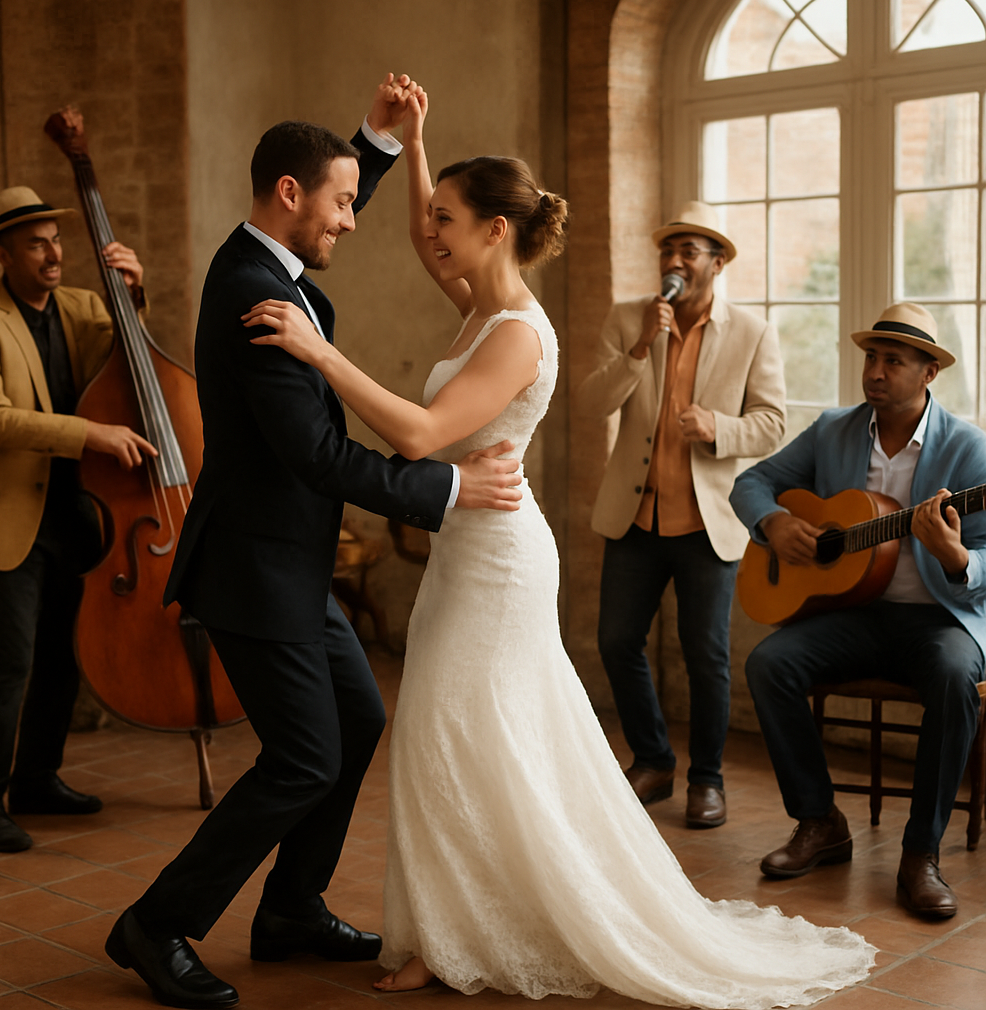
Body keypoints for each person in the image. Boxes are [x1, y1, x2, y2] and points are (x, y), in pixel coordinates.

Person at [245, 90, 875, 1008]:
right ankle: (438, 932)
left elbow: (420, 437)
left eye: (448, 220)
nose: (432, 234)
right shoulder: (475, 300)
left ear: (495, 231)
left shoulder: (517, 336)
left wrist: (319, 353)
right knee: (441, 736)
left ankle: (459, 937)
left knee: (456, 734)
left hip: (498, 559)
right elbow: (427, 243)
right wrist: (416, 141)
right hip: (467, 544)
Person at [106, 75, 523, 1010]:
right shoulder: (260, 298)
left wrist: (374, 143)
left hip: (290, 570)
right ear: (288, 196)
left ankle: (291, 908)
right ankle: (156, 924)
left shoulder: (267, 259)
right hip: (255, 572)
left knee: (358, 723)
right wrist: (451, 485)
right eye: (340, 202)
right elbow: (322, 456)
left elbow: (322, 191)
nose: (352, 219)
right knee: (302, 759)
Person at [731, 302, 986, 921]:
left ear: (928, 373)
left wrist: (955, 557)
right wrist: (776, 522)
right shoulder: (833, 429)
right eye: (871, 357)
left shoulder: (970, 449)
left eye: (893, 360)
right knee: (770, 664)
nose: (876, 370)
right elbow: (751, 484)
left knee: (956, 678)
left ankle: (919, 855)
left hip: (939, 619)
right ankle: (820, 821)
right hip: (855, 613)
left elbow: (982, 560)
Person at [578, 202, 786, 827]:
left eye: (689, 251)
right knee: (616, 642)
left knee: (706, 658)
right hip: (635, 520)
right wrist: (641, 344)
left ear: (716, 263)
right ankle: (652, 758)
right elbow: (592, 400)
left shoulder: (752, 332)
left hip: (706, 525)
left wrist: (717, 427)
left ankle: (707, 779)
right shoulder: (628, 318)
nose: (674, 261)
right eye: (668, 250)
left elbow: (773, 422)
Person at [0, 187, 156, 854]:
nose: (53, 253)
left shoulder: (81, 306)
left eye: (56, 239)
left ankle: (37, 779)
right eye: (37, 242)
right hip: (9, 518)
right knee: (11, 664)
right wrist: (89, 435)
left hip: (76, 511)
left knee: (60, 658)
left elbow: (131, 360)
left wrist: (132, 294)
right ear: (3, 252)